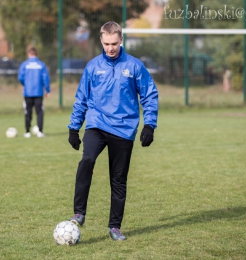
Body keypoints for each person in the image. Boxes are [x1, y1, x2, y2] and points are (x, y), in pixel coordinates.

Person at [68, 21, 158, 241]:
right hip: (97, 124)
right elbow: (81, 98)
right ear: (101, 40)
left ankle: (115, 227)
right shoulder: (92, 66)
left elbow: (149, 94)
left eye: (114, 43)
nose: (110, 48)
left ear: (121, 41)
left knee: (118, 179)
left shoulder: (134, 66)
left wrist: (149, 124)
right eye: (107, 43)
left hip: (123, 129)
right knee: (87, 160)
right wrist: (73, 127)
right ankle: (79, 213)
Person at [18, 46, 51, 138]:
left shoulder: (24, 64)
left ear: (29, 54)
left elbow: (20, 77)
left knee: (27, 112)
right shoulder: (41, 65)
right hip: (38, 92)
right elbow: (45, 78)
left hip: (27, 93)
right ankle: (40, 131)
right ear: (36, 54)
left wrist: (26, 84)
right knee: (39, 112)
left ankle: (27, 132)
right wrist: (47, 90)